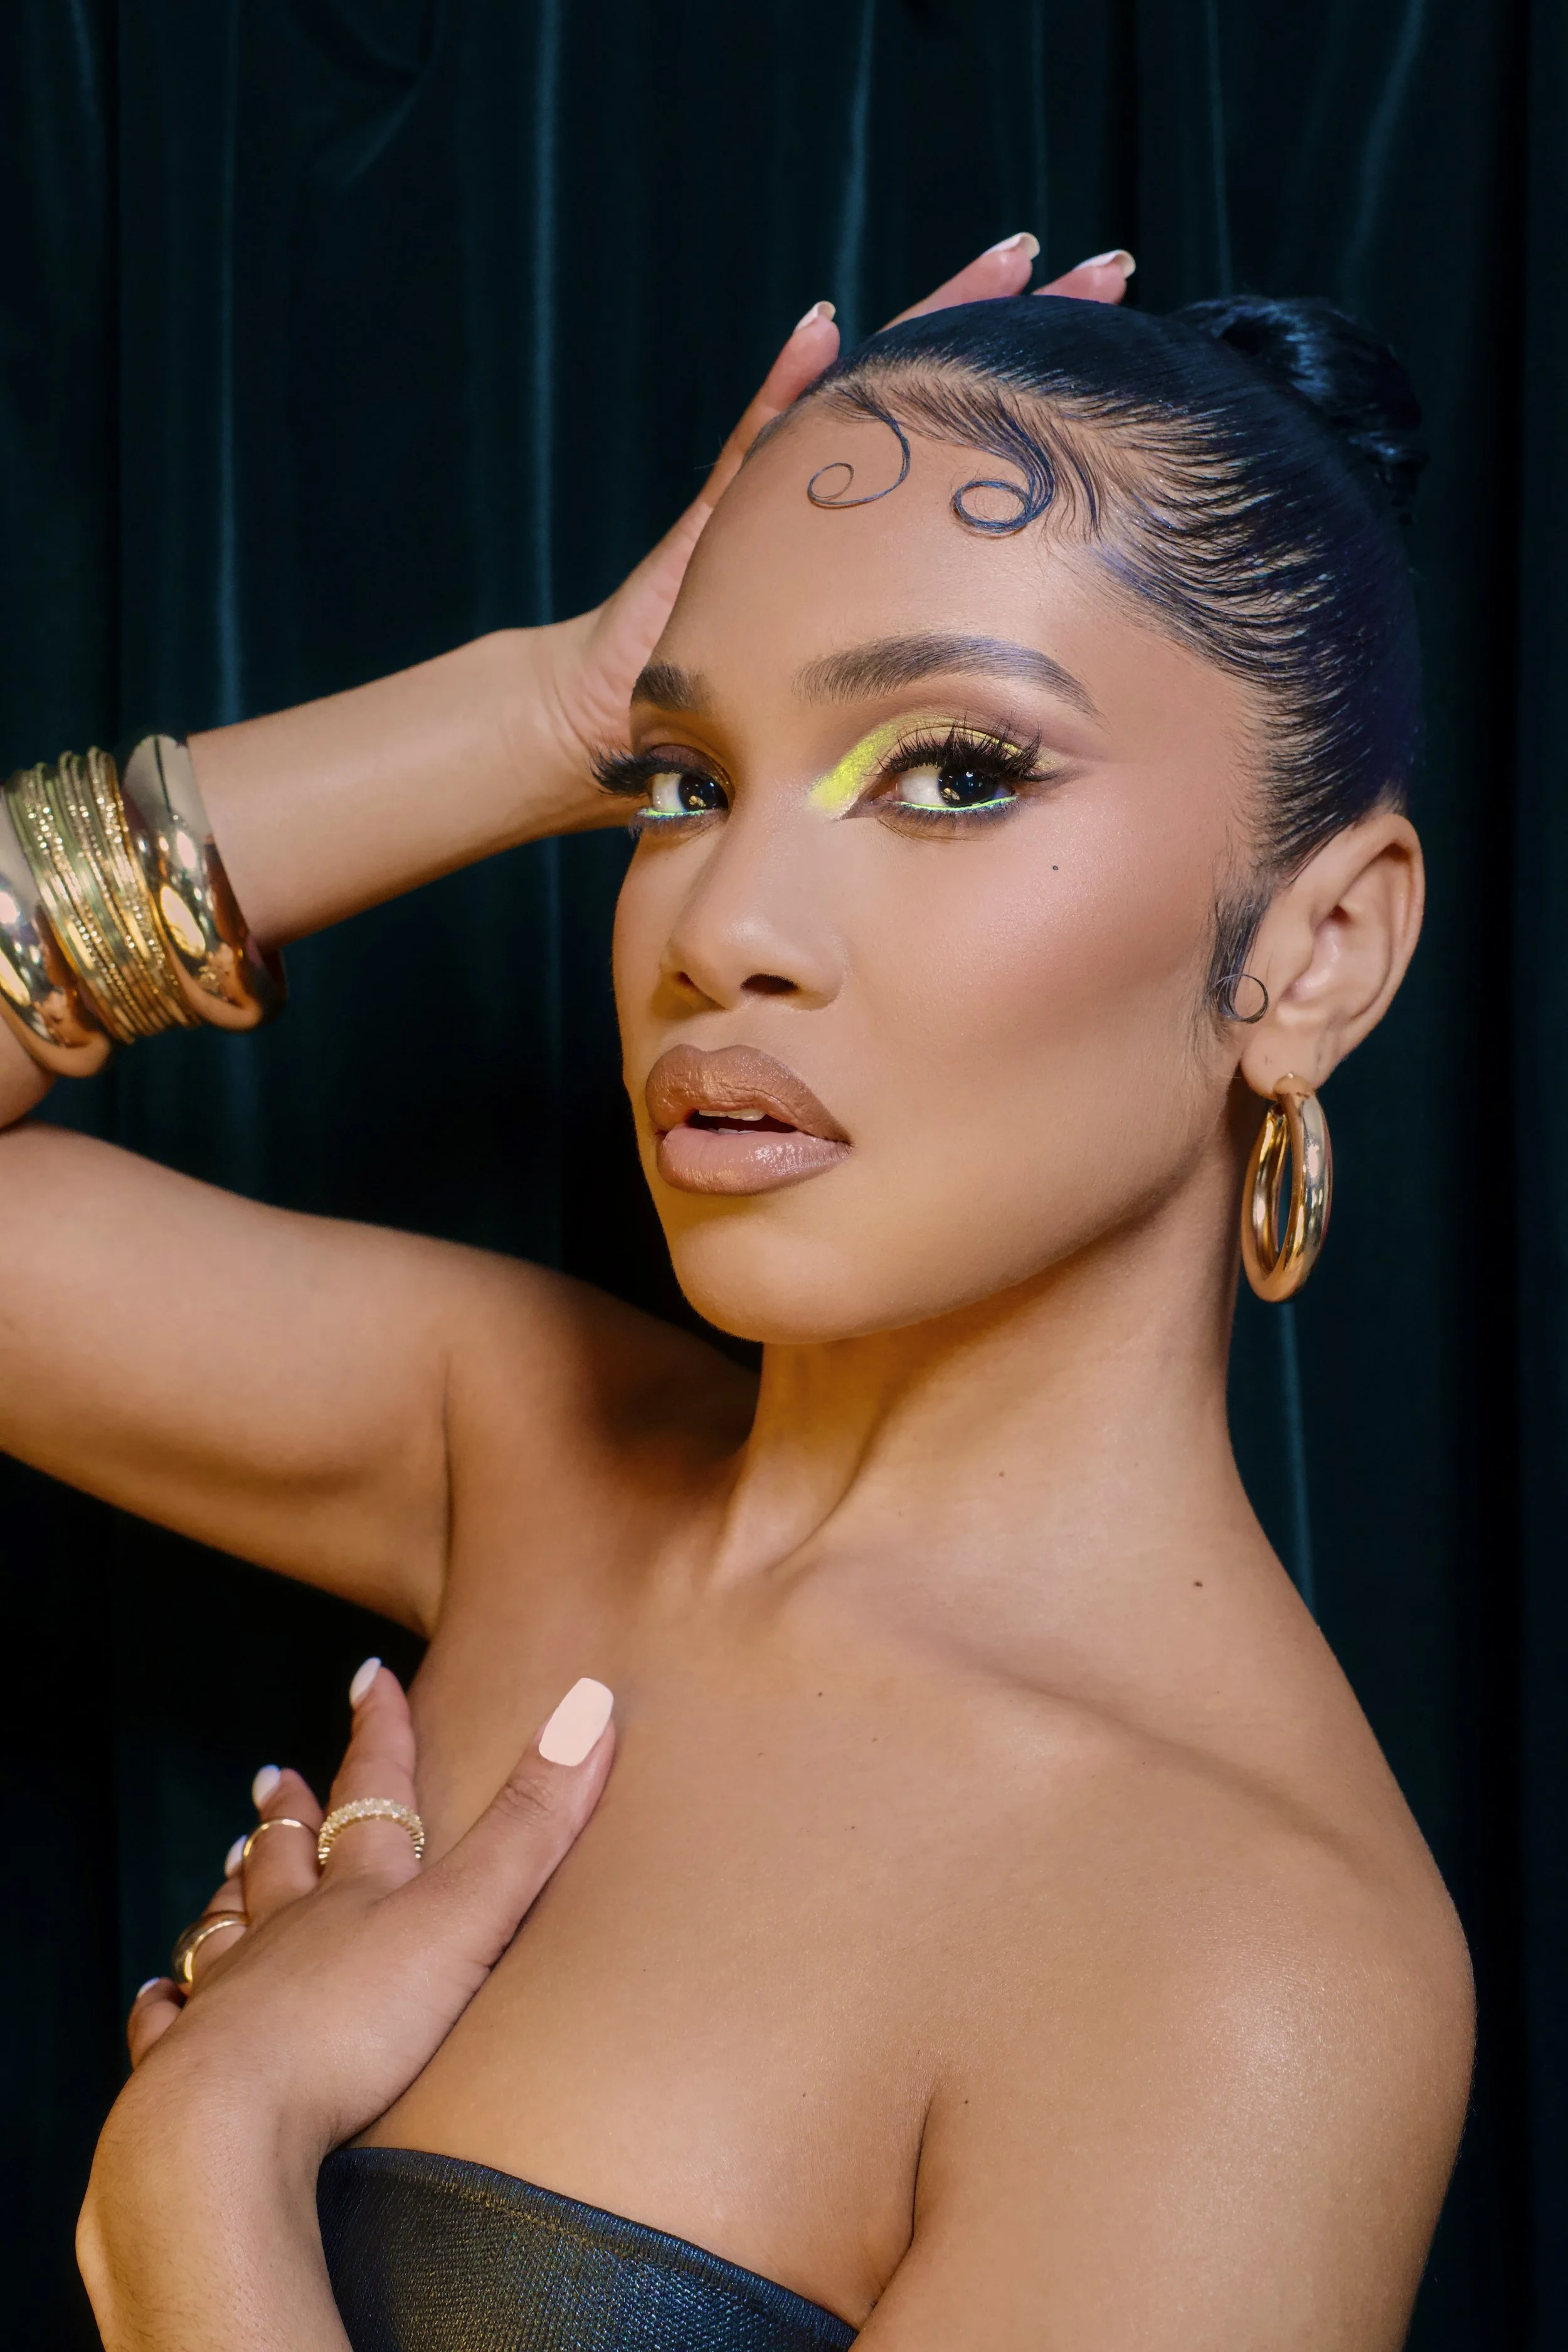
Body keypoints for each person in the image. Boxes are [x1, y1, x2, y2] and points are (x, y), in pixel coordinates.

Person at [7, 235, 1473, 2350]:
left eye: (954, 772)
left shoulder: (1243, 1966)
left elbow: (195, 2221)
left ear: (1310, 952)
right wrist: (538, 711)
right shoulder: (515, 1442)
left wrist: (197, 2185)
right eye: (683, 789)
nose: (728, 924)